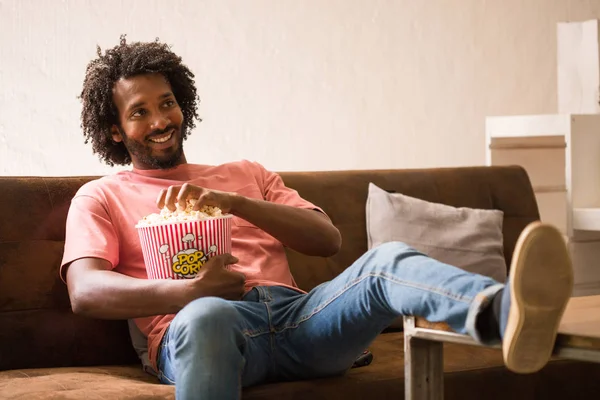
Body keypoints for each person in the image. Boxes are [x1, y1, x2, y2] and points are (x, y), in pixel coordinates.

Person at [61, 36, 574, 400]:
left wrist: (235, 203)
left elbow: (326, 241)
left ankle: (506, 315)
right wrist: (188, 292)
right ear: (114, 130)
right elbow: (85, 291)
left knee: (385, 261)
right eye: (139, 112)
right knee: (207, 315)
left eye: (167, 103)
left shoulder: (245, 172)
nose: (159, 121)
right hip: (198, 329)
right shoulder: (101, 196)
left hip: (299, 322)